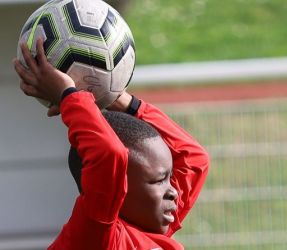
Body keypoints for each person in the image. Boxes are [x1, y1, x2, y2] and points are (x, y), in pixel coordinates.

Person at [13, 38, 209, 249]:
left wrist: (118, 98)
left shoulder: (147, 226)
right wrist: (69, 95)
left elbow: (193, 158)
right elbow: (108, 155)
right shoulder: (97, 236)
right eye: (158, 181)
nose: (174, 192)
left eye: (169, 179)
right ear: (118, 188)